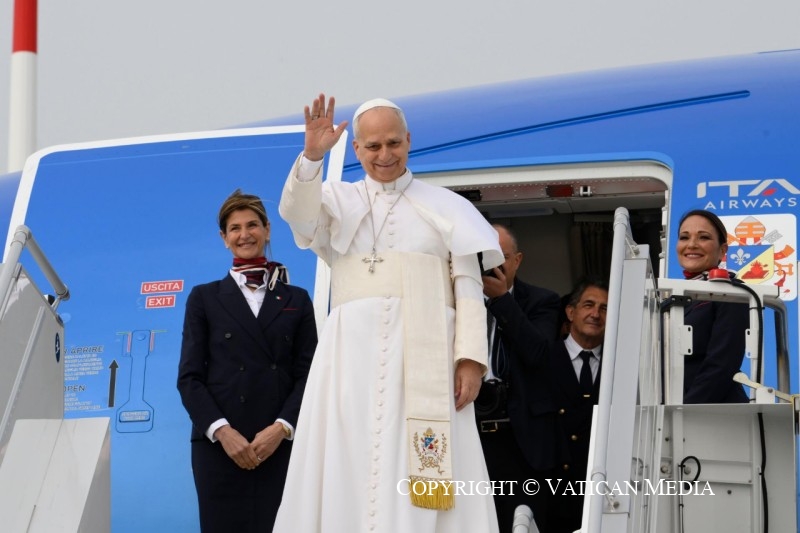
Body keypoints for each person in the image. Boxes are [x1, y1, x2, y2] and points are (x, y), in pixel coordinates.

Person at [274, 94, 504, 533]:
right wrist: (312, 157)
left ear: (408, 140)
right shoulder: (335, 200)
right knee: (348, 454)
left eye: (393, 143)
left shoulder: (448, 206)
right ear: (356, 148)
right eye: (373, 146)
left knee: (424, 456)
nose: (384, 155)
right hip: (350, 360)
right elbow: (297, 215)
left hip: (426, 360)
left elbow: (468, 286)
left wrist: (471, 360)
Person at [177, 189, 317, 533]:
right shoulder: (204, 298)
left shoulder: (297, 299)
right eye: (235, 228)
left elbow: (309, 375)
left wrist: (280, 428)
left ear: (267, 230)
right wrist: (223, 433)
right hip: (220, 448)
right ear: (224, 238)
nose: (245, 234)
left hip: (280, 445)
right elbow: (190, 378)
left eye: (252, 225)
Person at [477, 223, 560, 532]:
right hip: (473, 435)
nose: (490, 264)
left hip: (522, 439)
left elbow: (538, 353)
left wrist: (501, 300)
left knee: (525, 522)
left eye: (498, 255)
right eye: (483, 256)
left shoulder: (542, 301)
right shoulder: (459, 302)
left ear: (517, 260)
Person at [546, 277, 608, 533]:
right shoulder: (545, 358)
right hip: (551, 494)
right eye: (588, 305)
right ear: (570, 312)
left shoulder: (620, 364)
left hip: (602, 494)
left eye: (604, 308)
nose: (596, 314)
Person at [676, 209, 749, 403]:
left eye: (704, 237)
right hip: (669, 410)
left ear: (723, 250)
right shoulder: (673, 296)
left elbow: (722, 365)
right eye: (684, 237)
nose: (691, 244)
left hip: (713, 412)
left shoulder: (731, 293)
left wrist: (686, 411)